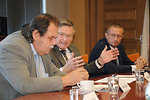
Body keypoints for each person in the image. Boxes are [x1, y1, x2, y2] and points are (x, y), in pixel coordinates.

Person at [0, 13, 89, 100]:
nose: (54, 43)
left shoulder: (42, 46)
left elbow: (54, 73)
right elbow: (24, 85)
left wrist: (77, 77)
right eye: (51, 38)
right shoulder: (12, 47)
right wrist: (67, 80)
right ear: (36, 35)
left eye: (55, 38)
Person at [50, 19, 119, 76]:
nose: (65, 39)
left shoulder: (73, 48)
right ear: (55, 34)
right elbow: (48, 77)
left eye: (69, 36)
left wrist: (100, 61)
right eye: (61, 34)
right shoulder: (49, 51)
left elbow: (84, 70)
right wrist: (64, 70)